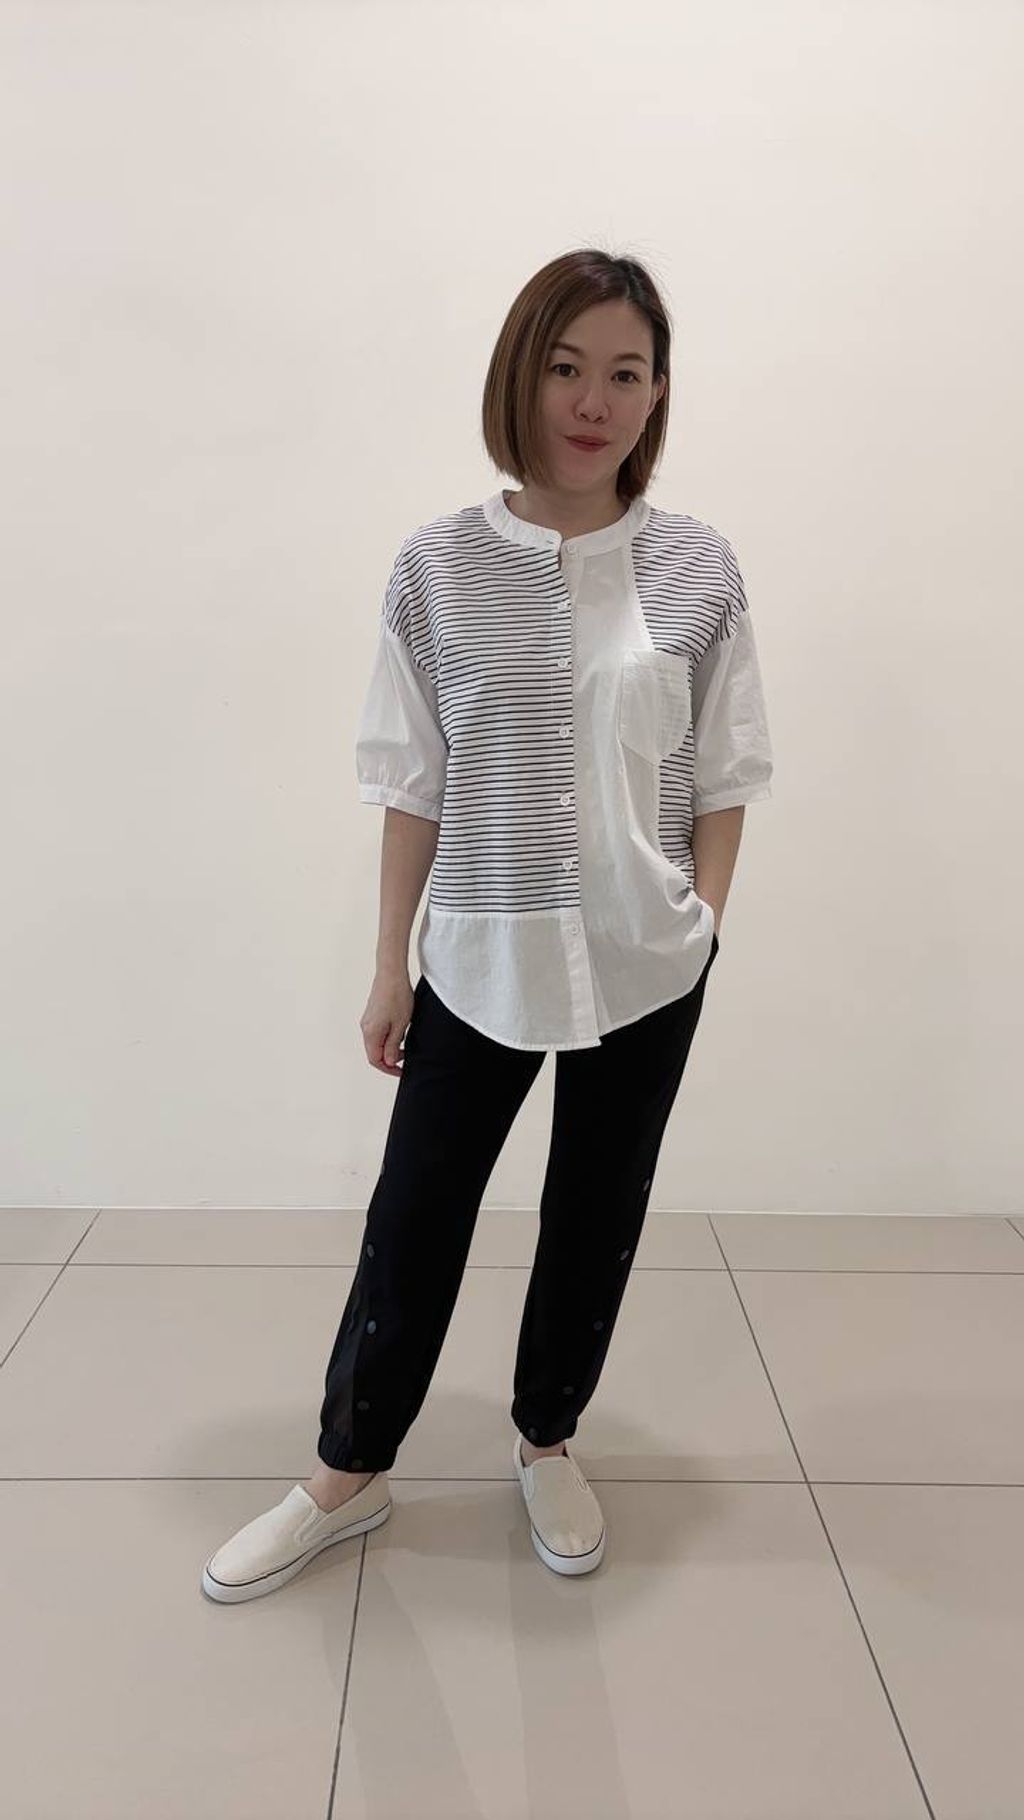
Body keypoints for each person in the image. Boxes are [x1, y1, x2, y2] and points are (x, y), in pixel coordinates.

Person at [202, 247, 773, 1603]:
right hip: (481, 948)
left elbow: (727, 769)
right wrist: (388, 964)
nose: (594, 401)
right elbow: (413, 779)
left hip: (646, 957)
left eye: (626, 373)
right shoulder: (439, 566)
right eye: (567, 367)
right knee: (416, 1212)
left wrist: (701, 925)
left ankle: (547, 1438)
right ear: (521, 375)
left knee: (596, 1211)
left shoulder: (698, 567)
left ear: (659, 393)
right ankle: (348, 1469)